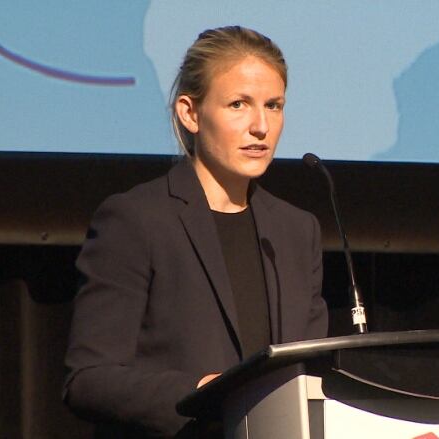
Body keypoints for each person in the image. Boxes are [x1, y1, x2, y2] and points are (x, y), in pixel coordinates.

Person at [63, 26, 328, 438]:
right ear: (190, 113)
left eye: (273, 106)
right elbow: (88, 381)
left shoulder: (296, 231)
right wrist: (200, 392)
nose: (261, 126)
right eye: (239, 104)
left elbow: (310, 376)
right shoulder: (137, 220)